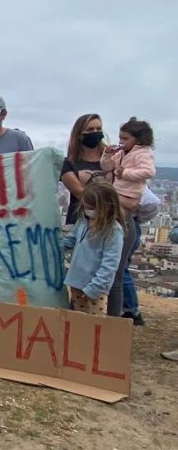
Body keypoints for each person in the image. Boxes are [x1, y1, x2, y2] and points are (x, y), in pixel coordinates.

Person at [101, 117, 156, 323]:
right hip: (117, 200)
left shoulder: (143, 154)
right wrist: (107, 157)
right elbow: (107, 168)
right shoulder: (122, 153)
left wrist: (126, 172)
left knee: (116, 274)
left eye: (125, 138)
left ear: (138, 139)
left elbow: (149, 171)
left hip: (128, 203)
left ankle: (118, 317)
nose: (121, 141)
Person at [62, 182, 124, 314]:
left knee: (96, 324)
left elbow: (110, 263)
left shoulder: (113, 230)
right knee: (79, 322)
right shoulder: (83, 222)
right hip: (76, 282)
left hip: (96, 287)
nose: (87, 209)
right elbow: (70, 241)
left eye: (91, 207)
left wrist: (95, 287)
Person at [60, 114, 110, 226]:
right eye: (90, 129)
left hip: (109, 222)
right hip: (79, 221)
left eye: (99, 129)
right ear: (79, 134)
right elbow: (80, 194)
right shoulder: (68, 163)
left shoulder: (112, 159)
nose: (96, 132)